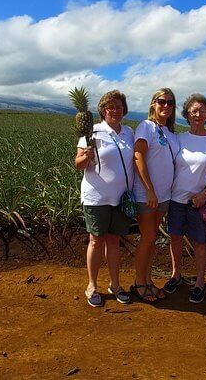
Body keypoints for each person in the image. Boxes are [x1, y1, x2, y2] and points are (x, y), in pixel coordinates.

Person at [75, 90, 134, 308]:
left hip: (121, 198)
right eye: (110, 107)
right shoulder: (92, 132)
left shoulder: (129, 133)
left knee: (114, 241)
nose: (115, 110)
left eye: (119, 106)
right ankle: (92, 285)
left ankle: (115, 284)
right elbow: (78, 163)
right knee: (96, 240)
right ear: (103, 110)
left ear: (124, 109)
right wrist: (85, 156)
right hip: (96, 197)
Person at [166, 94, 206, 303]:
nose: (197, 114)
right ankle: (176, 274)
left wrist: (204, 195)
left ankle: (200, 281)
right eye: (193, 111)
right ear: (187, 115)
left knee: (199, 242)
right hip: (175, 199)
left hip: (199, 202)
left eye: (201, 110)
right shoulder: (178, 138)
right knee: (175, 237)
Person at [131, 88, 179, 302]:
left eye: (170, 102)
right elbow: (138, 157)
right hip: (147, 194)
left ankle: (147, 280)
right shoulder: (146, 127)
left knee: (151, 240)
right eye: (162, 101)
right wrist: (149, 189)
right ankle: (139, 283)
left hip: (164, 196)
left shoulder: (170, 132)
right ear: (153, 103)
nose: (166, 106)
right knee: (148, 238)